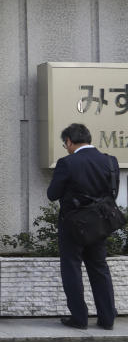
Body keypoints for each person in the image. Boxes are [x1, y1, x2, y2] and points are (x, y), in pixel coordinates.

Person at [47, 123, 119, 330]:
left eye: (65, 144)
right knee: (99, 268)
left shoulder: (67, 163)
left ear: (69, 141)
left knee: (72, 268)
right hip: (100, 223)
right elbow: (111, 194)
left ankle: (79, 318)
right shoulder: (110, 161)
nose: (66, 148)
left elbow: (52, 194)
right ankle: (107, 319)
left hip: (73, 224)